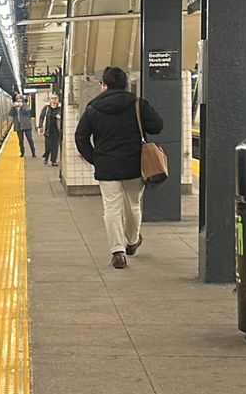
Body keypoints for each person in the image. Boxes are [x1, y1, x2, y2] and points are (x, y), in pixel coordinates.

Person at [74, 67, 164, 269]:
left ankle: (117, 252)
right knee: (133, 205)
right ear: (125, 84)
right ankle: (132, 242)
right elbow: (157, 126)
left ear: (105, 85)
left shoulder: (93, 108)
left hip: (107, 167)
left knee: (111, 209)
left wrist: (95, 158)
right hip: (134, 165)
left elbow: (80, 137)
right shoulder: (138, 104)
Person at [39, 92, 63, 166]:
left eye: (56, 98)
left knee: (55, 146)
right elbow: (41, 117)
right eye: (52, 98)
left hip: (57, 130)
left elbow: (64, 117)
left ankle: (53, 161)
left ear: (58, 99)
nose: (54, 100)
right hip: (48, 130)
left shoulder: (60, 108)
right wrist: (40, 126)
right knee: (48, 146)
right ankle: (46, 157)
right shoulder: (46, 108)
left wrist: (60, 117)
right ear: (50, 99)